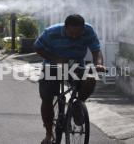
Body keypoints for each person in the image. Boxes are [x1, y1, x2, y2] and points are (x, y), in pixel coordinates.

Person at [33, 14, 106, 144]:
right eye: (71, 33)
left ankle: (78, 105)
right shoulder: (51, 32)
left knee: (91, 78)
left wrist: (98, 63)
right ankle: (49, 134)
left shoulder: (88, 30)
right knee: (46, 98)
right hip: (52, 67)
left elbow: (96, 50)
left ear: (83, 29)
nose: (74, 36)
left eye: (77, 34)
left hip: (76, 66)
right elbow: (37, 47)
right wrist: (55, 59)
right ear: (65, 27)